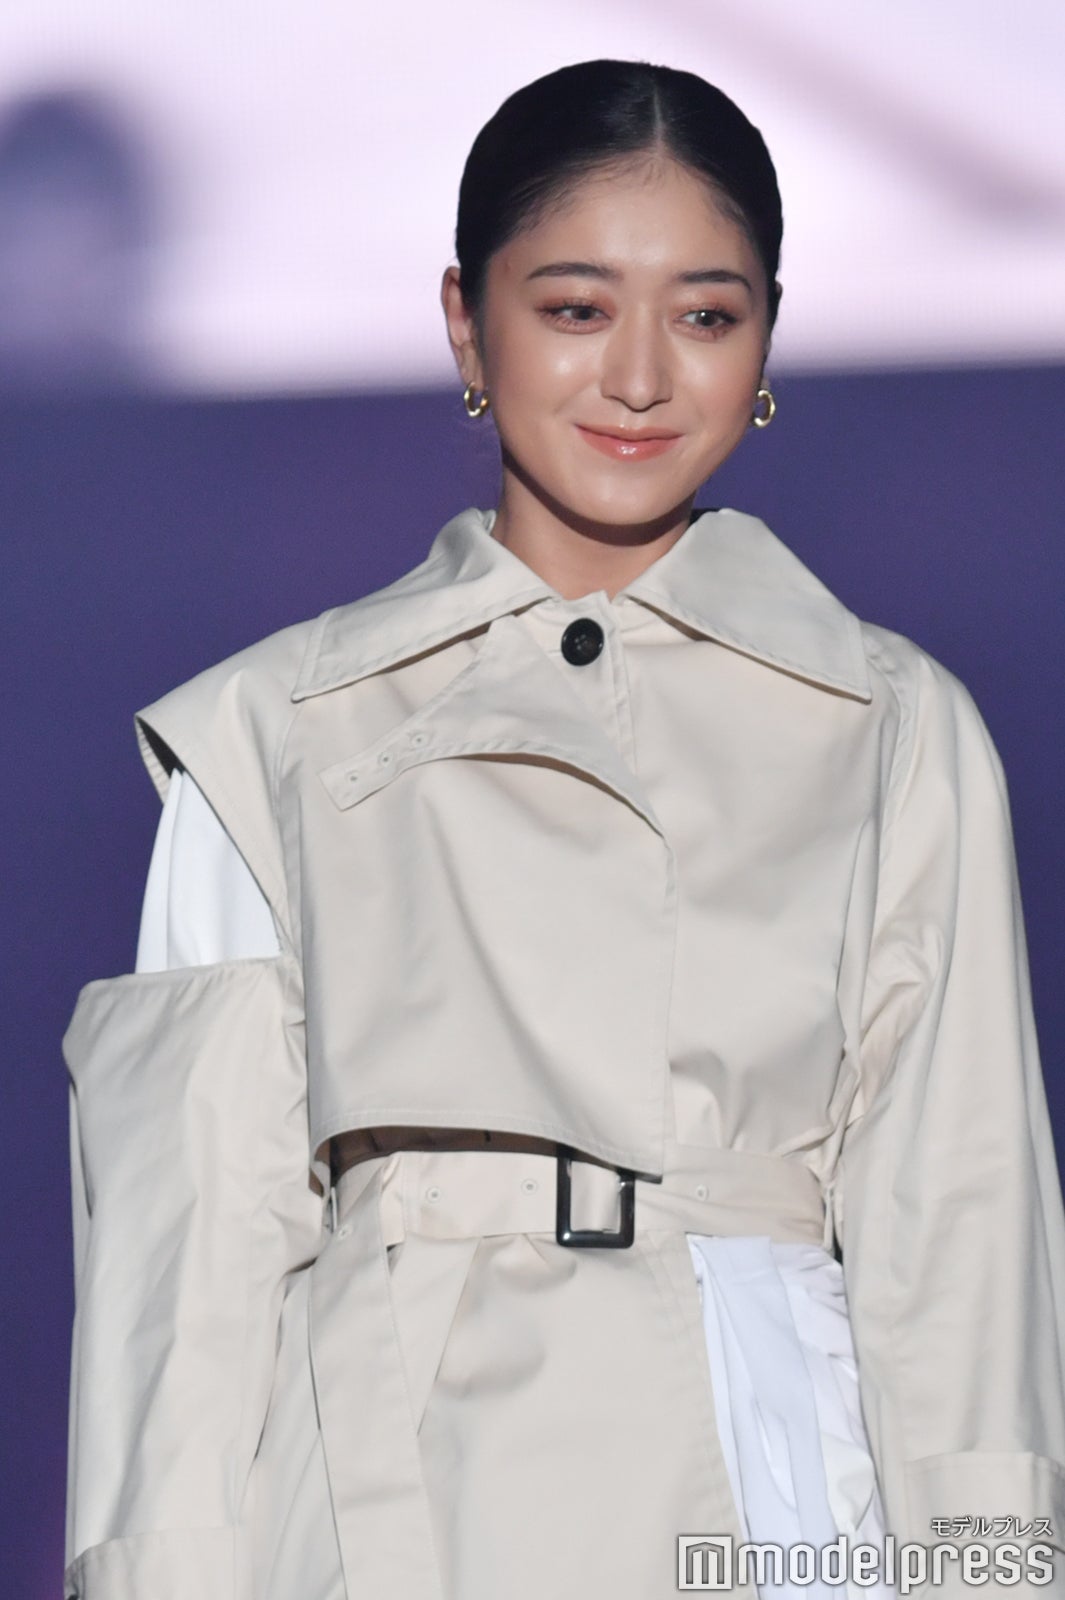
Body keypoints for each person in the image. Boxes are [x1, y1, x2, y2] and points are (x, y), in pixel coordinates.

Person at [61, 59, 1065, 1600]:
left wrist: (995, 1578)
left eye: (706, 315)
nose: (641, 377)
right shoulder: (270, 735)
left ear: (767, 337)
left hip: (770, 1489)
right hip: (388, 1489)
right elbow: (181, 1279)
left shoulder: (888, 725)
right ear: (468, 324)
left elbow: (963, 1236)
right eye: (577, 308)